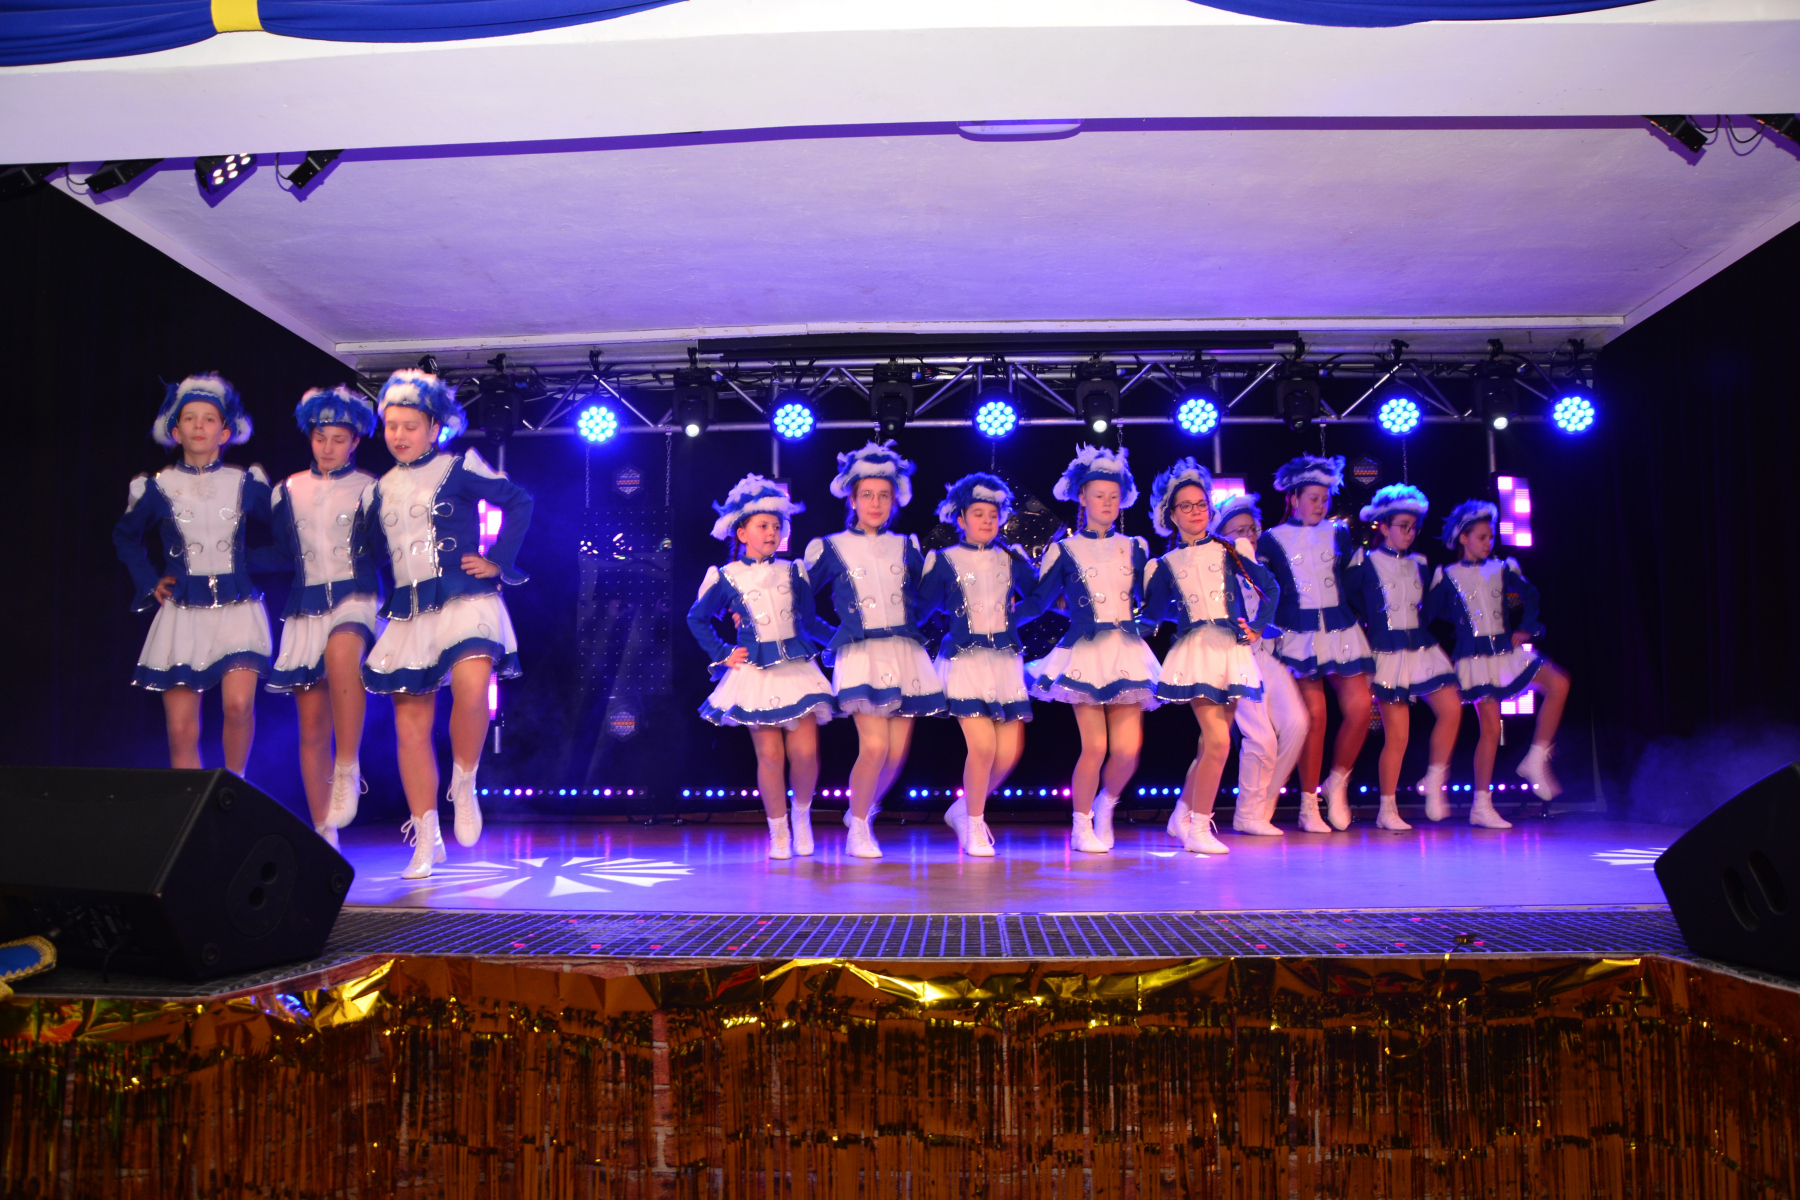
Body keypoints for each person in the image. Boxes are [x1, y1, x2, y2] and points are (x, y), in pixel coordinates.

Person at [362, 370, 534, 879]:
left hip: (466, 598)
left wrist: (498, 561)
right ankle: (426, 835)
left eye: (410, 426)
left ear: (434, 428)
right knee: (410, 726)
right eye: (392, 426)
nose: (399, 435)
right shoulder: (378, 491)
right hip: (409, 612)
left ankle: (464, 779)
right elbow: (370, 555)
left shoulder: (459, 469)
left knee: (472, 688)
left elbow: (519, 501)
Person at [113, 373, 272, 775]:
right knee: (182, 729)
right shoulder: (158, 487)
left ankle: (235, 788)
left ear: (225, 432)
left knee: (239, 705)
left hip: (238, 610)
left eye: (209, 419)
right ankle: (194, 804)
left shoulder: (244, 484)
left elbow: (288, 535)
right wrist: (149, 581)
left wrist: (249, 563)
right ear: (175, 431)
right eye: (189, 418)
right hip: (182, 613)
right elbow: (125, 536)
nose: (199, 426)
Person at [803, 441, 945, 858]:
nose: (876, 503)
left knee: (896, 754)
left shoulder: (907, 546)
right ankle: (860, 828)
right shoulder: (831, 547)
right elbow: (799, 603)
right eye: (867, 494)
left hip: (904, 653)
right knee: (876, 748)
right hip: (863, 656)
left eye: (884, 495)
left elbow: (926, 597)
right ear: (852, 499)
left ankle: (860, 810)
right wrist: (835, 636)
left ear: (894, 500)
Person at [688, 475, 836, 859]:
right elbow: (696, 617)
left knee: (805, 753)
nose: (771, 532)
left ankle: (801, 816)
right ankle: (778, 830)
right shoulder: (727, 576)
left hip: (797, 669)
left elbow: (810, 621)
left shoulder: (793, 571)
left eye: (776, 526)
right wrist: (723, 652)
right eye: (762, 526)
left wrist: (843, 641)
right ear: (742, 532)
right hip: (756, 672)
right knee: (769, 755)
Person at [262, 386, 383, 848]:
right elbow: (280, 553)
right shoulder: (287, 490)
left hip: (356, 595)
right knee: (312, 726)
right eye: (320, 438)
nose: (328, 447)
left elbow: (387, 549)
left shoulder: (371, 488)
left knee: (342, 656)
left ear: (355, 441)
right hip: (305, 604)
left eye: (338, 439)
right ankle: (323, 831)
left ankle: (348, 767)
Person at [1026, 445, 1161, 854]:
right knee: (1096, 746)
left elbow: (1153, 601)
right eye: (1099, 495)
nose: (1107, 502)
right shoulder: (1065, 550)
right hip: (1084, 653)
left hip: (1127, 652)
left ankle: (1107, 802)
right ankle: (1081, 824)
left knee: (1128, 750)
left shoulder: (1134, 546)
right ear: (1082, 497)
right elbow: (1038, 601)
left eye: (1113, 496)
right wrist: (1001, 623)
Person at [1142, 460, 1280, 855]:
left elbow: (1270, 588)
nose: (1195, 511)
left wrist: (1257, 627)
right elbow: (1152, 616)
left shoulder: (1229, 550)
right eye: (1185, 506)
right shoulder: (1165, 565)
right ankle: (1199, 829)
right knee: (1218, 742)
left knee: (1211, 746)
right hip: (1197, 653)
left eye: (1201, 504)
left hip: (1232, 651)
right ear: (1171, 515)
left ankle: (1182, 814)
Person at [918, 473, 1043, 856]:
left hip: (1004, 662)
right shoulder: (944, 560)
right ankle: (974, 823)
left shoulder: (1011, 558)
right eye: (978, 514)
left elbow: (1038, 598)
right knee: (984, 747)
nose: (987, 521)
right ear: (961, 519)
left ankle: (961, 810)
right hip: (965, 661)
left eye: (993, 514)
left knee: (1008, 754)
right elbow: (921, 609)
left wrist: (1011, 619)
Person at [1427, 500, 1573, 828]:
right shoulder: (1447, 575)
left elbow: (1531, 596)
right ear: (1463, 537)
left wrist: (1526, 628)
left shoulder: (1502, 568)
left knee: (1559, 683)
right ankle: (1481, 805)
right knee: (1491, 729)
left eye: (1490, 536)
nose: (1488, 542)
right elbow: (1429, 614)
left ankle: (1536, 757)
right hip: (1475, 659)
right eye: (1481, 537)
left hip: (1505, 651)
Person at [1257, 455, 1375, 833]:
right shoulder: (1272, 539)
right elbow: (1265, 591)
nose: (1320, 505)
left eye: (1325, 498)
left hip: (1339, 627)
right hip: (1297, 633)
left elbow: (1352, 581)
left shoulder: (1339, 533)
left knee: (1361, 707)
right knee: (1315, 717)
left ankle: (1336, 782)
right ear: (1293, 498)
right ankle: (1308, 804)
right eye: (1313, 498)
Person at [1343, 485, 1462, 831]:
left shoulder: (1420, 564)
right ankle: (1387, 807)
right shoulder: (1364, 563)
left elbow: (1429, 610)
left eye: (1414, 527)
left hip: (1421, 646)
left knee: (1452, 708)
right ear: (1383, 526)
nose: (1410, 533)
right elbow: (1347, 599)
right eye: (1403, 526)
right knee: (1398, 736)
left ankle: (1434, 782)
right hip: (1387, 651)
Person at [1205, 493, 1310, 836]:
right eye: (1237, 531)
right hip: (1235, 659)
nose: (1246, 536)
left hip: (1264, 655)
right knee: (1261, 738)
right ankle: (1246, 813)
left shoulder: (1258, 567)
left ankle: (1260, 808)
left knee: (1297, 723)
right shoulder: (1218, 570)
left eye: (1250, 529)